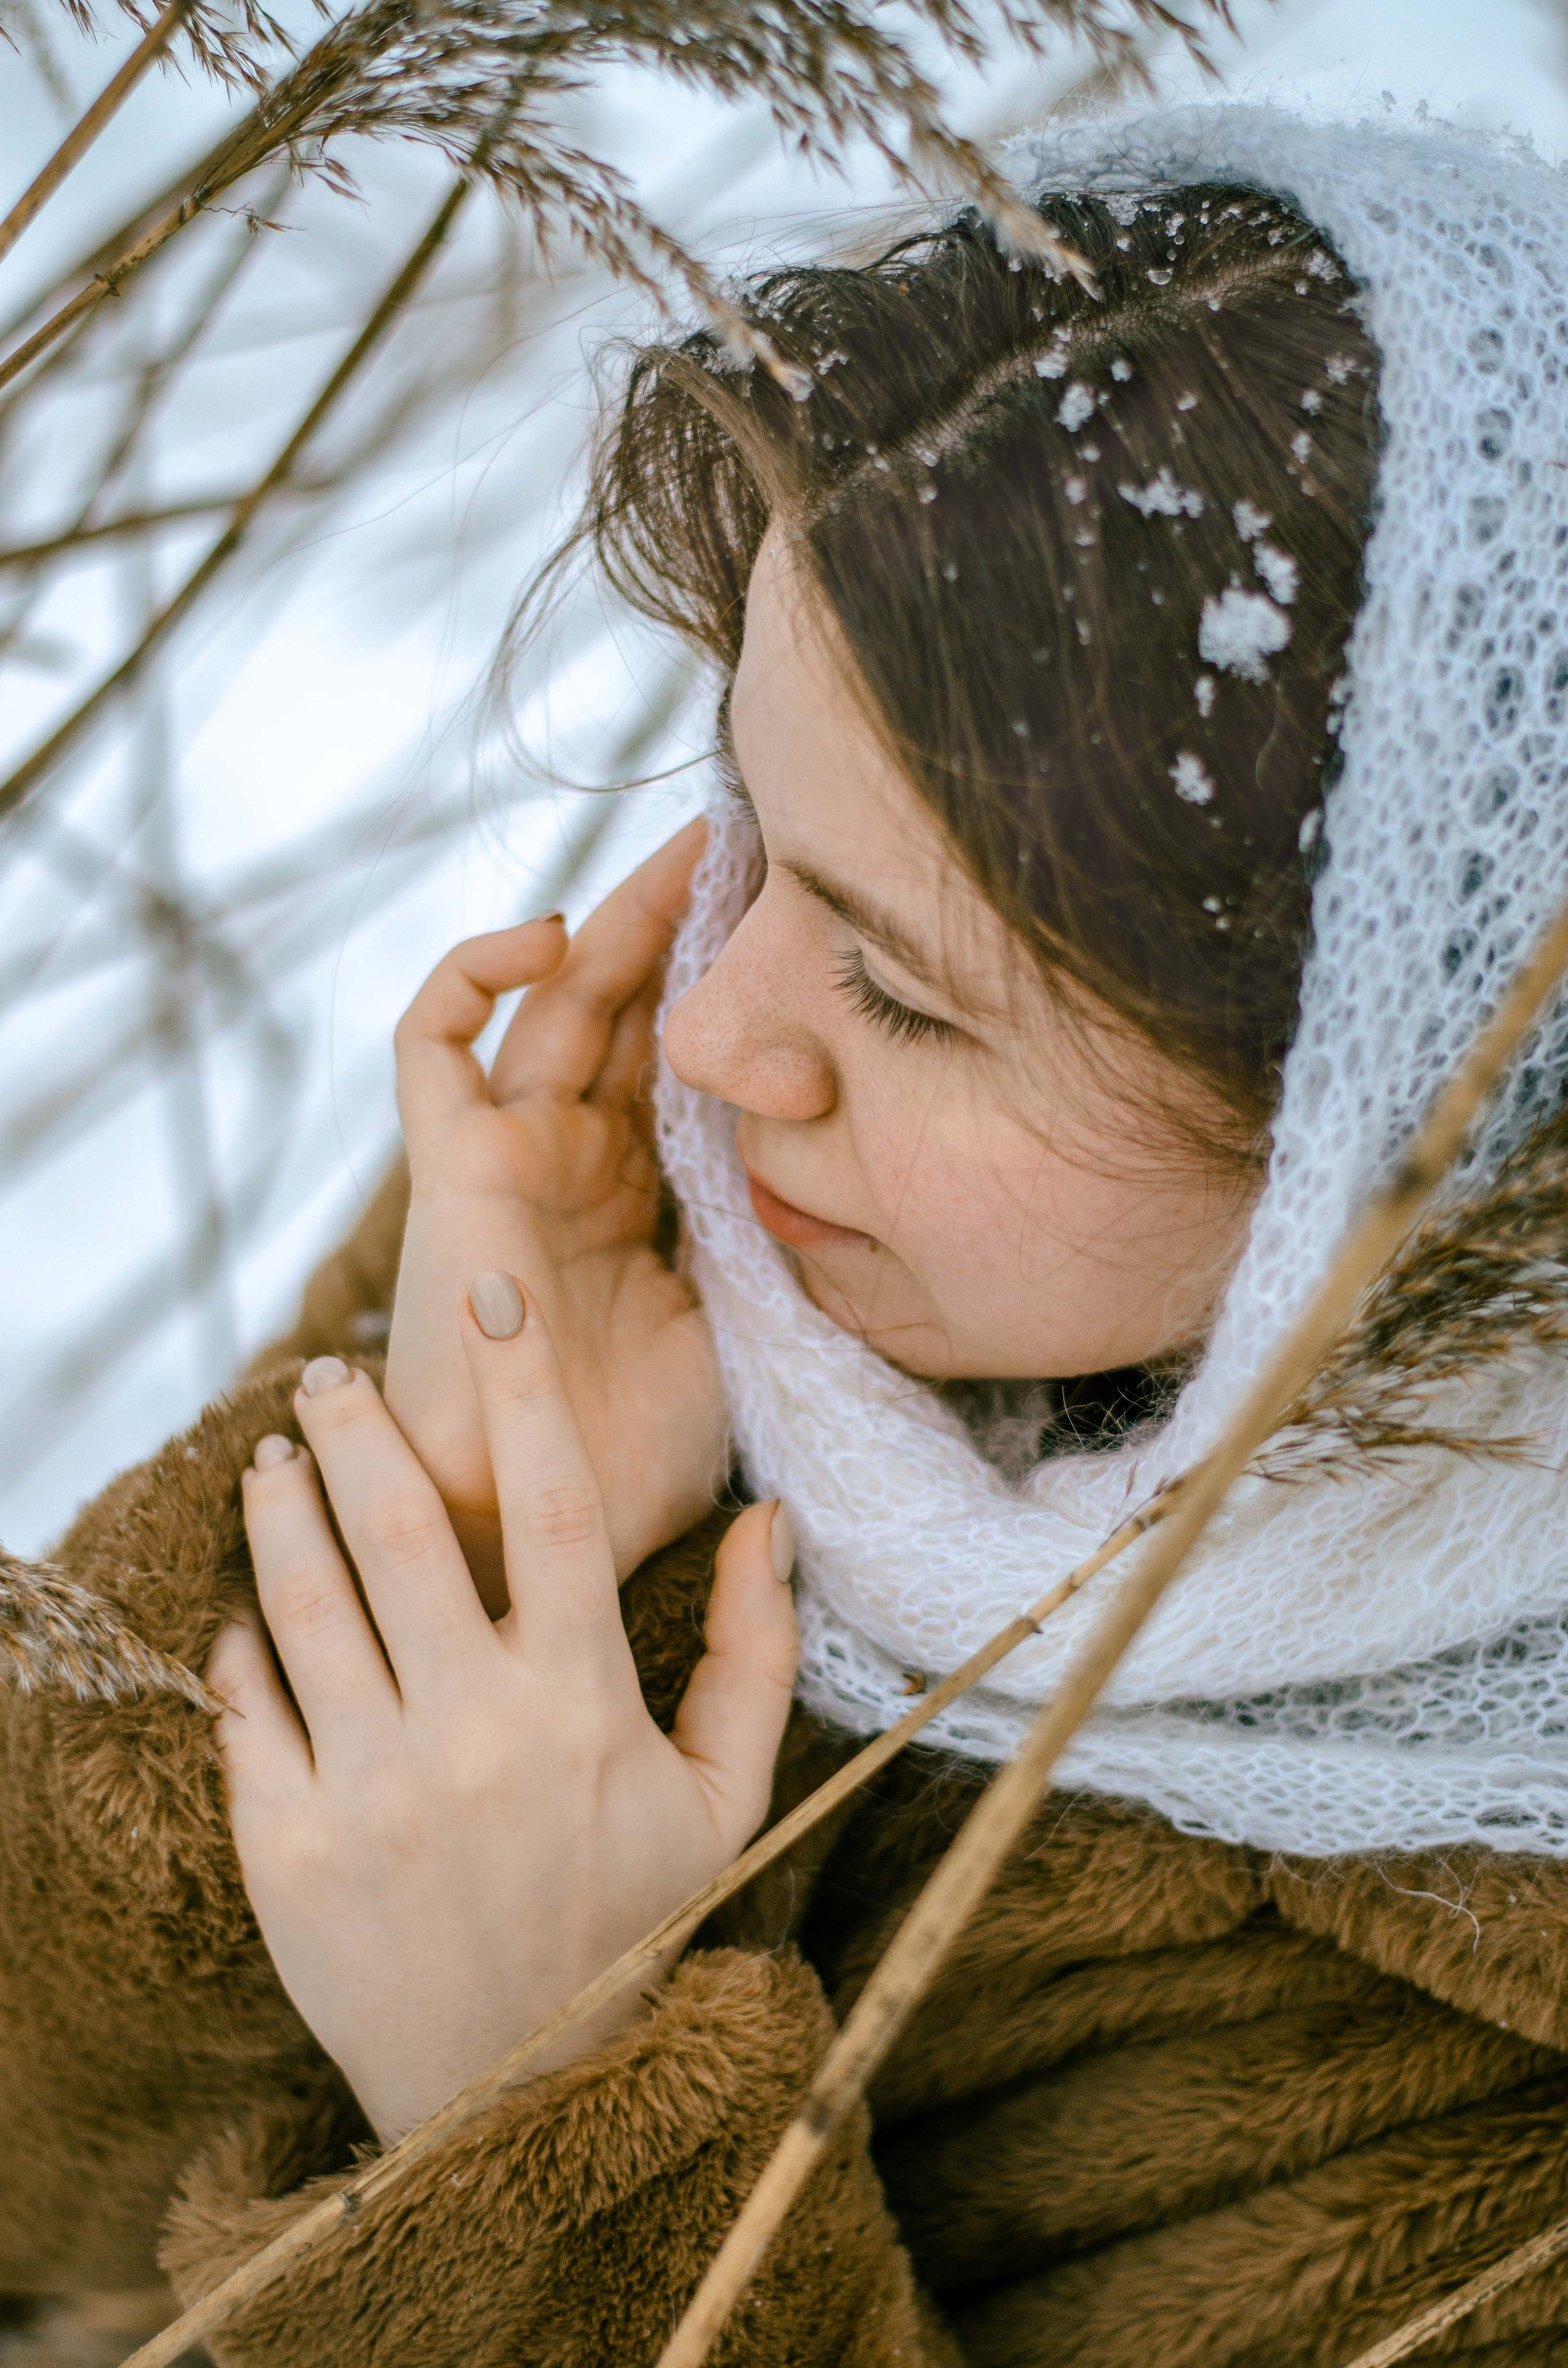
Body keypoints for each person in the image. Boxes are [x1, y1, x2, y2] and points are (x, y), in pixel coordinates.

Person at [8, 102, 1568, 2366]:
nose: (718, 1030)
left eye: (910, 988)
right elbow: (26, 2191)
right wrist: (441, 1530)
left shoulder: (1502, 2073)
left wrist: (543, 2124)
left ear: (1435, 1151)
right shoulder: (661, 1211)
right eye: (747, 810)